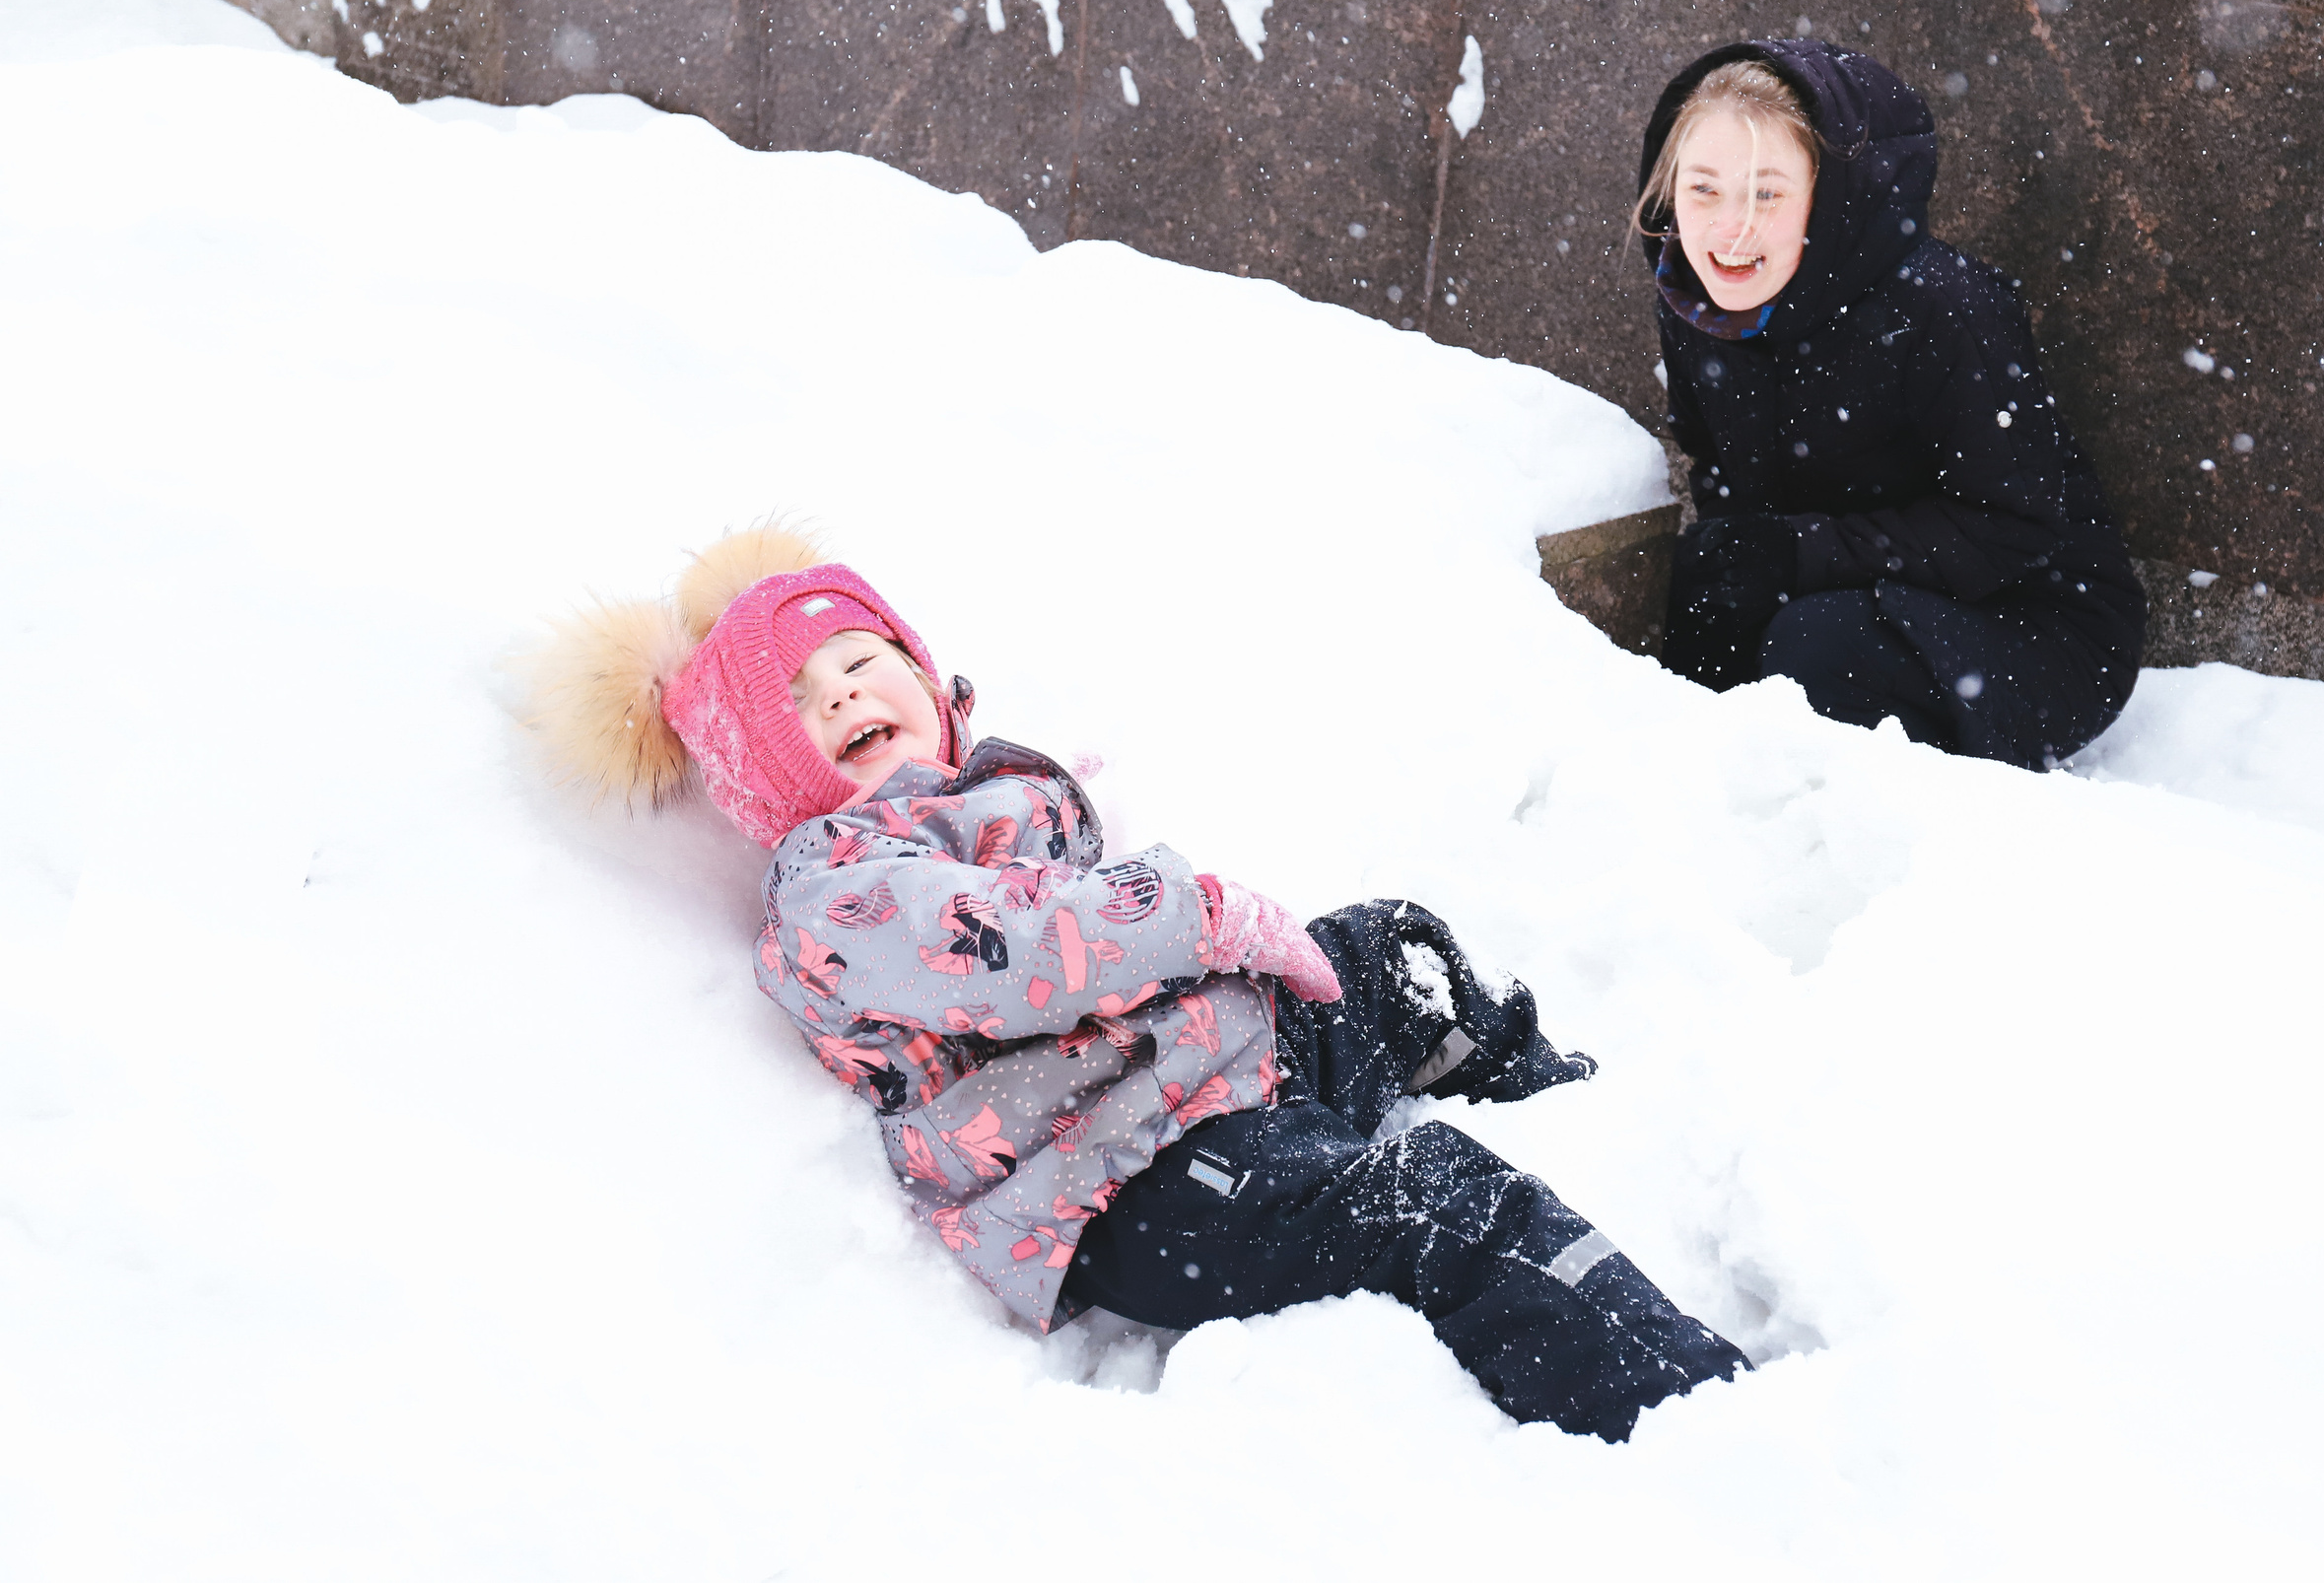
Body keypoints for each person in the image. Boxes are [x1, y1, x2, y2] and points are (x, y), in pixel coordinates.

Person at [525, 524, 1747, 1440]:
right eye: (796, 703)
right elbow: (1008, 954)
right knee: (1432, 1198)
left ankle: (1573, 1110)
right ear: (766, 782)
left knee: (1393, 949)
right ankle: (1694, 1419)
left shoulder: (993, 788)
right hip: (1121, 1180)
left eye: (855, 657)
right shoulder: (835, 881)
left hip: (1213, 1075)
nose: (838, 691)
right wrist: (1198, 913)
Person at [1637, 39, 2145, 769]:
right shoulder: (1700, 304)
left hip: (2036, 620)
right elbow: (1719, 469)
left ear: (1829, 194)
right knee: (1699, 610)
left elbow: (2013, 527)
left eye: (1768, 192)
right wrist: (1743, 563)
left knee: (1813, 651)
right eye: (1705, 189)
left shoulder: (1943, 310)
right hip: (1850, 585)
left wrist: (1800, 554)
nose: (1730, 226)